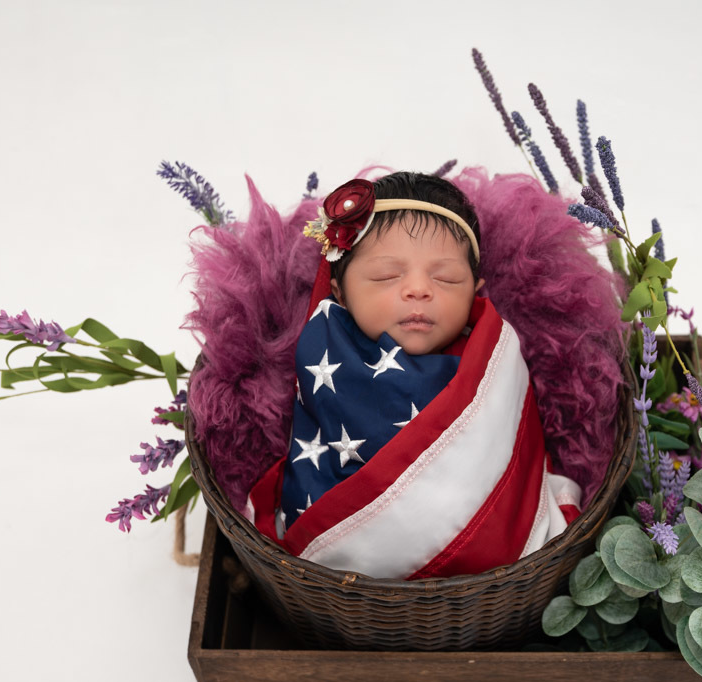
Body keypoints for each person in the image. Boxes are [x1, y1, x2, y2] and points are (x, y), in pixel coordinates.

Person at [245, 172, 583, 580]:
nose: (419, 290)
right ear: (339, 290)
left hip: (492, 566)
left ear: (476, 289)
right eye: (387, 276)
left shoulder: (492, 359)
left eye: (446, 278)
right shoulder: (325, 346)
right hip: (333, 567)